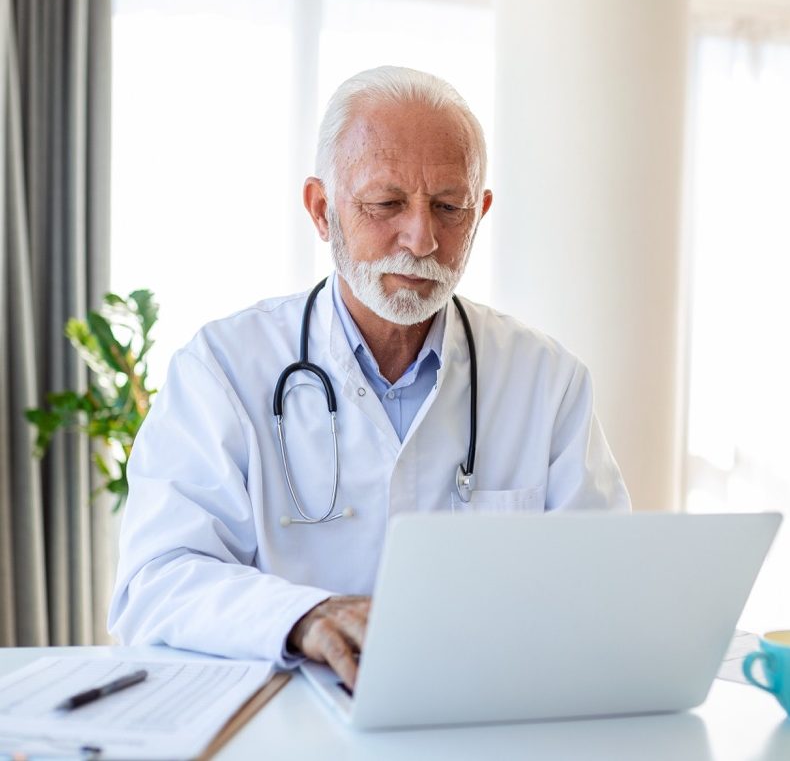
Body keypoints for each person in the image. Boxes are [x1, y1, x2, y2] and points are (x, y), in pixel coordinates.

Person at [108, 66, 630, 690]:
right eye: (386, 204)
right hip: (286, 720)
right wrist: (305, 615)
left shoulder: (547, 380)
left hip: (482, 716)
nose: (422, 238)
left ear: (481, 212)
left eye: (449, 207)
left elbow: (603, 582)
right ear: (322, 210)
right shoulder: (223, 367)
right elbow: (155, 580)